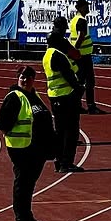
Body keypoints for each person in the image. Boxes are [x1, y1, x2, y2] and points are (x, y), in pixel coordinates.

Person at [0, 64, 55, 221]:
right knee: (22, 184)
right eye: (21, 76)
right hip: (22, 149)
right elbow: (2, 123)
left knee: (29, 185)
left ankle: (28, 218)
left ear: (33, 80)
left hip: (37, 150)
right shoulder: (15, 97)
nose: (24, 79)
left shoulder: (34, 96)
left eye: (28, 77)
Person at [42, 17, 82, 173]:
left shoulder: (47, 54)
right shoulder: (58, 55)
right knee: (71, 131)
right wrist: (78, 89)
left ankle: (59, 162)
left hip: (55, 96)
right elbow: (68, 76)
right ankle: (66, 162)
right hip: (66, 96)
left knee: (59, 130)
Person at [69, 0, 102, 113]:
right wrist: (75, 50)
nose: (88, 8)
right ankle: (90, 106)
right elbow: (80, 36)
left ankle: (76, 105)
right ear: (81, 8)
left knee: (80, 81)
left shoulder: (73, 20)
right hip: (83, 56)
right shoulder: (81, 21)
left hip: (80, 56)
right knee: (89, 81)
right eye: (86, 6)